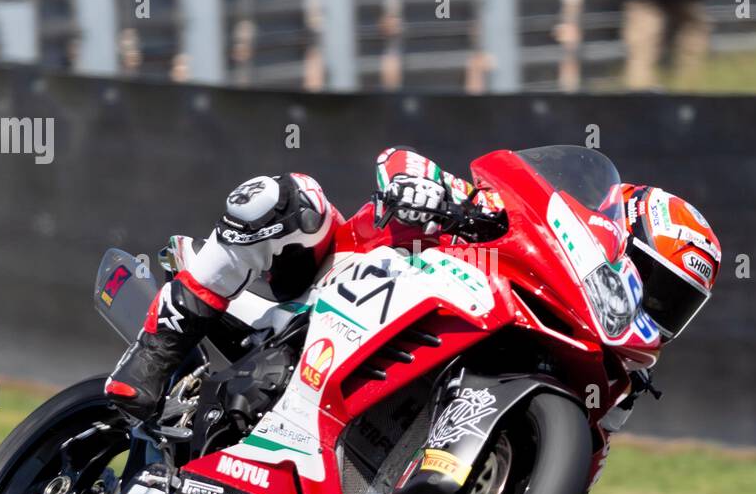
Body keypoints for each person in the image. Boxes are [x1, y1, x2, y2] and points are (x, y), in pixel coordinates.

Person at [104, 148, 721, 431]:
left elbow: (577, 472)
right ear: (616, 237)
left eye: (675, 307)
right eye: (655, 285)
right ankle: (158, 350)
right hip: (320, 295)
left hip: (378, 390)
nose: (655, 310)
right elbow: (398, 162)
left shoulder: (609, 385)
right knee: (288, 198)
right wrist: (431, 194)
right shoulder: (503, 221)